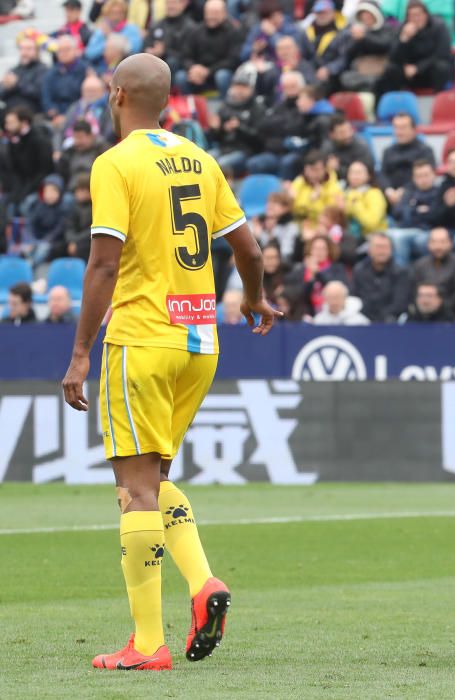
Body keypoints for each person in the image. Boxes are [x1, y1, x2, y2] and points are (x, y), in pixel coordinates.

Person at [60, 53, 282, 673]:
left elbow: (104, 263)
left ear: (116, 93)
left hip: (142, 339)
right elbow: (248, 246)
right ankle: (204, 581)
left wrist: (81, 353)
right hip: (199, 342)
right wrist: (256, 299)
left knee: (132, 492)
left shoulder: (116, 162)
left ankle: (148, 643)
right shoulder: (198, 158)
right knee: (153, 480)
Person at [375, 1, 455, 99]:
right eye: (412, 16)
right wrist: (403, 39)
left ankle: (438, 102)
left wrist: (418, 68)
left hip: (429, 70)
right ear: (407, 17)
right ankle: (395, 103)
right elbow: (393, 58)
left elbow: (442, 54)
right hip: (409, 73)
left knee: (442, 66)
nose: (416, 19)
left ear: (426, 14)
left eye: (419, 14)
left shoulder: (439, 26)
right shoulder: (402, 28)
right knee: (391, 69)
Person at [206, 73, 266, 176]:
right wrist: (216, 129)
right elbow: (215, 138)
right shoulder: (225, 106)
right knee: (203, 160)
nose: (239, 90)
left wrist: (239, 128)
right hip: (224, 148)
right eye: (237, 86)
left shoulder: (257, 108)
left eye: (243, 87)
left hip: (245, 151)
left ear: (250, 89)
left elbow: (260, 139)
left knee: (221, 165)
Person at [177, 0, 242, 95]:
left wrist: (209, 71)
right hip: (197, 75)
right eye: (209, 12)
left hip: (218, 73)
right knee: (181, 77)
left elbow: (233, 60)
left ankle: (225, 106)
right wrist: (192, 68)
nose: (211, 16)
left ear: (224, 13)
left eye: (215, 13)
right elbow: (185, 56)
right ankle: (191, 105)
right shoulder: (196, 31)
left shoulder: (233, 32)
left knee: (222, 75)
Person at [330, 0, 396, 93]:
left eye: (368, 14)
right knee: (345, 78)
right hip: (361, 71)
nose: (366, 17)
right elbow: (347, 55)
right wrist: (356, 40)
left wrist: (365, 37)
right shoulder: (355, 32)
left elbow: (385, 45)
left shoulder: (387, 28)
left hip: (381, 70)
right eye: (363, 15)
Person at [0, 107, 55, 215]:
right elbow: (14, 170)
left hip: (38, 186)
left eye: (11, 123)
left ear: (24, 123)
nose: (7, 127)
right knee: (8, 205)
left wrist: (26, 191)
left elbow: (45, 170)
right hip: (20, 187)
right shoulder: (13, 141)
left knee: (26, 205)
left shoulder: (40, 140)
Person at [411, 227, 455, 316]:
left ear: (450, 243)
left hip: (451, 314)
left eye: (442, 242)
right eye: (434, 242)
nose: (438, 246)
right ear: (428, 244)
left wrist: (441, 305)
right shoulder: (420, 265)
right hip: (422, 314)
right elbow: (413, 291)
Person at [389, 159, 440, 265]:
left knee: (399, 237)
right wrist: (417, 211)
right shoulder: (409, 192)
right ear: (413, 178)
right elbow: (397, 212)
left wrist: (411, 210)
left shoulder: (439, 193)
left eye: (426, 175)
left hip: (427, 231)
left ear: (434, 175)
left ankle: (402, 274)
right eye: (419, 176)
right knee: (383, 235)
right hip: (405, 228)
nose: (423, 179)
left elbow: (434, 216)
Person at [285, 234, 350, 316]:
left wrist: (318, 273)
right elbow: (300, 296)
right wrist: (310, 279)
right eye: (315, 248)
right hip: (307, 315)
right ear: (310, 250)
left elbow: (337, 289)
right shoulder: (300, 270)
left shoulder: (338, 269)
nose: (319, 252)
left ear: (329, 251)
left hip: (332, 313)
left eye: (323, 249)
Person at [352, 233, 411, 322]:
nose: (381, 251)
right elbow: (355, 298)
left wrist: (381, 317)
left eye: (385, 247)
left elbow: (400, 304)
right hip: (364, 318)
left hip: (390, 320)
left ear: (391, 250)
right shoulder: (359, 270)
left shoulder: (401, 272)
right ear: (369, 250)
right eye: (378, 247)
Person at [380, 112, 437, 207]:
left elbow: (427, 177)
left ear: (414, 129)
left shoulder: (425, 151)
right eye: (396, 128)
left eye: (403, 128)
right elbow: (382, 174)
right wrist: (388, 190)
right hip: (389, 196)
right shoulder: (388, 151)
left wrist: (404, 191)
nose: (399, 132)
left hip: (416, 196)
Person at [291, 150, 344, 228]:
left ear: (325, 169)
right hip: (300, 227)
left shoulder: (333, 186)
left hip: (324, 229)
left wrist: (313, 201)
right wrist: (310, 201)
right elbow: (294, 210)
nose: (312, 174)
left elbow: (331, 214)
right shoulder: (299, 182)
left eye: (317, 170)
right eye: (309, 169)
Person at [42, 35, 88, 124]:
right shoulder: (50, 74)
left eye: (67, 49)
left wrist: (70, 116)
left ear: (75, 50)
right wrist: (55, 114)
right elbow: (47, 98)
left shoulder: (85, 70)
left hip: (79, 115)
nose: (64, 53)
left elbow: (85, 98)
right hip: (57, 116)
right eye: (60, 51)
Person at [143, 0, 195, 76]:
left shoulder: (190, 27)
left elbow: (187, 55)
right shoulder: (157, 25)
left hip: (178, 66)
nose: (171, 6)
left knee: (172, 62)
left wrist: (164, 52)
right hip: (154, 62)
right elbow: (145, 45)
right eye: (168, 3)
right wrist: (149, 51)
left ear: (183, 5)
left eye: (174, 3)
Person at [1, 34, 48, 114]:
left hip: (30, 113)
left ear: (37, 51)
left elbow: (38, 93)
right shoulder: (14, 70)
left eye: (28, 49)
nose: (24, 52)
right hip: (9, 112)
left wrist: (17, 84)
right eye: (22, 49)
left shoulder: (43, 70)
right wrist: (6, 86)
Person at [321, 115, 374, 181]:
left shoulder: (361, 146)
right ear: (332, 135)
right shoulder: (327, 147)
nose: (347, 135)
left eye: (349, 130)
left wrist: (338, 169)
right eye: (342, 133)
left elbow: (366, 173)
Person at [343, 160, 388, 238]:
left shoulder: (375, 194)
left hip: (372, 237)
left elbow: (372, 223)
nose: (355, 176)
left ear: (368, 175)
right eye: (352, 172)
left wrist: (355, 204)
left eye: (359, 173)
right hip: (348, 237)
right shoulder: (344, 193)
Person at [65, 173, 93, 261]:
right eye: (77, 190)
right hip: (75, 241)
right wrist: (71, 241)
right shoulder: (73, 207)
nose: (78, 193)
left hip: (89, 242)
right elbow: (69, 227)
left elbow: (92, 230)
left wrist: (76, 242)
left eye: (82, 190)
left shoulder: (96, 207)